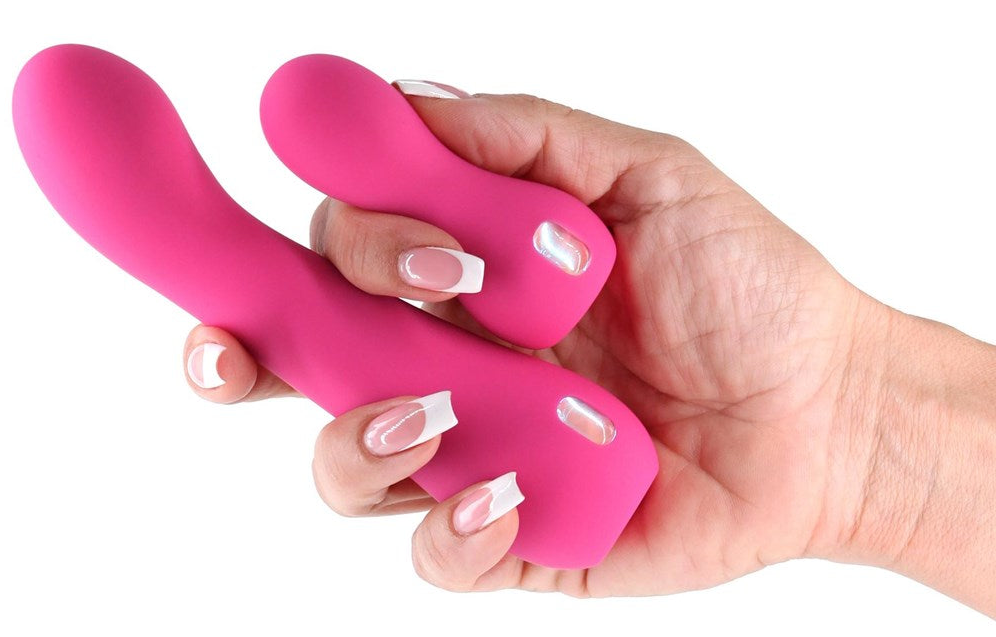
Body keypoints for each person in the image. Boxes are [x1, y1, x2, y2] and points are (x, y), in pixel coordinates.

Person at [180, 80, 995, 616]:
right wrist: (855, 430)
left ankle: (218, 259)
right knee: (274, 290)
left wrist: (857, 432)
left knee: (269, 289)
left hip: (567, 423)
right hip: (568, 413)